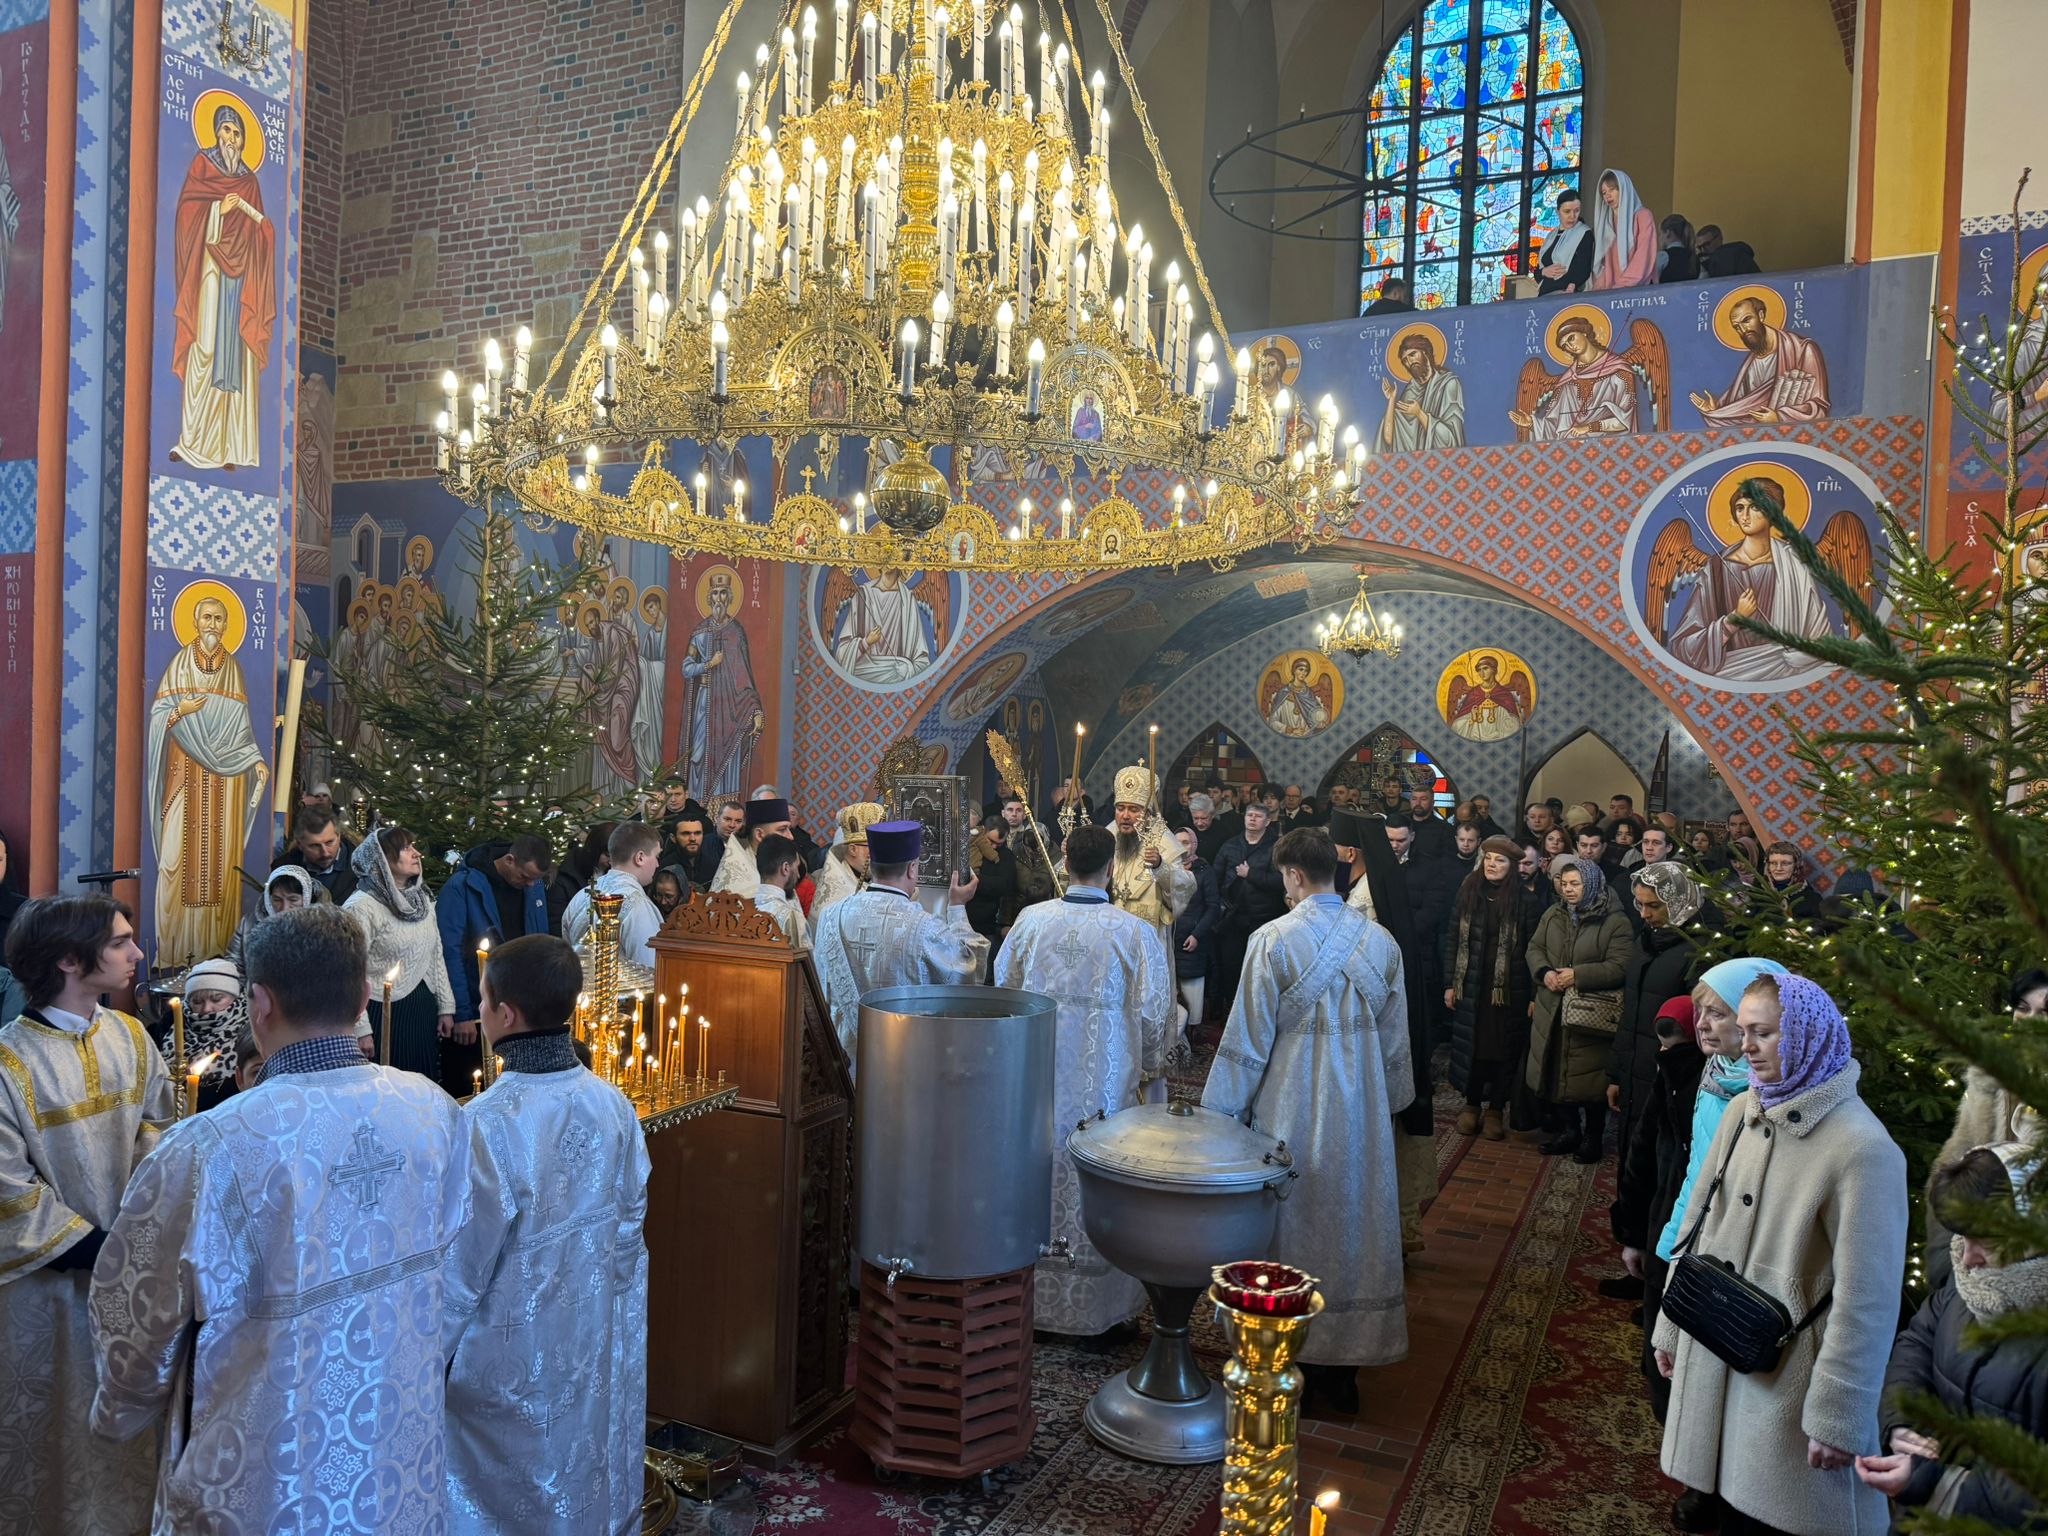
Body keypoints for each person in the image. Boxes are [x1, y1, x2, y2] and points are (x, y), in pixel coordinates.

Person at [89, 906, 474, 1534]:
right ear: (364, 997)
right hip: (399, 1443)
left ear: (259, 1003)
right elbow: (455, 1263)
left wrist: (120, 1411)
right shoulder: (434, 1111)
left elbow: (135, 1315)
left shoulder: (206, 1147)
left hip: (270, 1472)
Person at [1653, 974, 1907, 1536]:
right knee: (1729, 1514)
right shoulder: (1743, 1109)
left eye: (1763, 1033)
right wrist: (1671, 1325)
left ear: (1808, 1035)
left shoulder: (1863, 1149)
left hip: (1792, 1384)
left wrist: (1838, 1415)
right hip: (1717, 1352)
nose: (1746, 1047)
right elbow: (1697, 1224)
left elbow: (1867, 1299)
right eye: (1744, 1031)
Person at [444, 934, 649, 1534]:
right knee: (580, 1469)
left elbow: (458, 1268)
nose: (481, 1012)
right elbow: (629, 1234)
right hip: (590, 1336)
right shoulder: (612, 1103)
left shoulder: (483, 1123)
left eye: (483, 1001)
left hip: (511, 1354)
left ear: (505, 1015)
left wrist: (426, 1354)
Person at [1204, 828, 1414, 1415]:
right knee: (1354, 1219)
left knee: (1292, 1224)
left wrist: (1222, 1117)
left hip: (1290, 1104)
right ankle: (1343, 1374)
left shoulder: (1272, 939)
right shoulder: (1381, 942)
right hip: (1361, 1110)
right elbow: (1396, 1045)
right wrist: (1387, 1106)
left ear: (1294, 874)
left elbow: (1247, 1040)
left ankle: (1282, 1358)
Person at [0, 896, 167, 1534]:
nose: (137, 953)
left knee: (128, 1433)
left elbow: (158, 1131)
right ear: (70, 960)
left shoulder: (130, 1036)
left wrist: (143, 1223)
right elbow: (10, 1192)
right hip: (45, 1295)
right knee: (53, 1438)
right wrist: (106, 1248)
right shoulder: (9, 1063)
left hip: (131, 1284)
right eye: (120, 942)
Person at [996, 825, 1171, 1339]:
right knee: (1097, 1179)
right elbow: (1155, 1014)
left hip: (1037, 1079)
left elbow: (1003, 989)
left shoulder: (1032, 921)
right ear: (1111, 868)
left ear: (1065, 861)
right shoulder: (1133, 932)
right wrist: (1150, 1065)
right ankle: (1098, 1318)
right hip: (1105, 1085)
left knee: (1035, 1170)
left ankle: (1026, 1301)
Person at [1861, 1143, 2048, 1526]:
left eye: (1986, 1240)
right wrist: (1902, 1422)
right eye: (1964, 1237)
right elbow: (1916, 1345)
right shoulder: (1969, 1283)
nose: (1967, 1258)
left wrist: (1944, 1486)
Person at [1332, 807, 1437, 1255]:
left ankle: (1377, 1227)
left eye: (1335, 846)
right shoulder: (1364, 886)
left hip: (1373, 1026)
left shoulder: (1368, 898)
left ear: (1350, 853)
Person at [1602, 861, 1704, 1300]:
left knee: (1665, 1179)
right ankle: (1635, 1262)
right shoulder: (1645, 943)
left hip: (1670, 1082)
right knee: (1633, 1167)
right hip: (1636, 1074)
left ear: (1679, 904)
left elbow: (1694, 1032)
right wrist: (1617, 1073)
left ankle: (1658, 1283)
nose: (1644, 914)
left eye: (1654, 906)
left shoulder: (1698, 952)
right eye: (1640, 905)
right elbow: (1629, 1017)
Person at [812, 821, 985, 1072]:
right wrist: (957, 908)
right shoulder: (924, 927)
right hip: (903, 1065)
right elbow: (967, 972)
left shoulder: (830, 916)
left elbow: (822, 985)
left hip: (844, 1062)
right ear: (912, 869)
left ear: (872, 864)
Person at [1923, 967, 2048, 1286]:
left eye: (2045, 1012)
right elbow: (1958, 1156)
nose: (2030, 1021)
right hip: (1977, 1249)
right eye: (2023, 1008)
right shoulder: (1990, 1076)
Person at [1613, 996, 1704, 1428]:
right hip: (1665, 1220)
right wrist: (1634, 1235)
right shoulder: (1678, 1073)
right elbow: (1644, 1154)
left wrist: (1634, 1235)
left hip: (1680, 1228)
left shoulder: (1729, 1091)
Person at [1526, 856, 1633, 1164]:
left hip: (1590, 1010)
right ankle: (1570, 1130)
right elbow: (1534, 948)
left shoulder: (1615, 921)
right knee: (1558, 1073)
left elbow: (1621, 965)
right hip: (1553, 1006)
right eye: (1564, 884)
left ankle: (1593, 1136)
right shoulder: (1554, 913)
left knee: (1590, 1077)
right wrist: (1545, 972)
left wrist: (1578, 975)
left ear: (1592, 884)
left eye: (1576, 884)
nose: (1568, 889)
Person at [344, 825, 460, 1083]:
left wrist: (446, 1006)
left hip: (420, 1009)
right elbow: (348, 971)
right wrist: (360, 1028)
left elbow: (435, 953)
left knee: (421, 1084)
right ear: (383, 859)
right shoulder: (361, 907)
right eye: (406, 848)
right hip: (378, 1010)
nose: (417, 853)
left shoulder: (421, 900)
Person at [1443, 835, 1538, 1140]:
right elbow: (1453, 939)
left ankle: (1496, 1108)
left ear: (1512, 866)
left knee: (1502, 1049)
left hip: (1509, 990)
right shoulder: (1468, 892)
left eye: (1500, 860)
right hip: (1471, 986)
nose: (1492, 865)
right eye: (1488, 859)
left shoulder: (1526, 902)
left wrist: (1533, 995)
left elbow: (1534, 950)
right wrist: (1450, 983)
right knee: (1473, 1048)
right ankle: (1471, 1105)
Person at [438, 834, 562, 1034]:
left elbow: (540, 943)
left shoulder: (533, 886)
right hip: (479, 1008)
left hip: (525, 1008)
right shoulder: (461, 887)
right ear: (509, 860)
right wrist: (462, 1013)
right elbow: (450, 952)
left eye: (535, 879)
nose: (530, 884)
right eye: (525, 877)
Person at [1107, 767, 1194, 964]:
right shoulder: (1107, 837)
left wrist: (1160, 866)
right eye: (1120, 808)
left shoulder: (1164, 841)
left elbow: (1185, 888)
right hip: (1110, 933)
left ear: (1148, 814)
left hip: (1148, 938)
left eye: (1133, 810)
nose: (1125, 816)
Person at [562, 822, 667, 971]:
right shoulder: (638, 906)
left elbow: (568, 957)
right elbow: (651, 970)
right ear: (640, 857)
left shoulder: (580, 897)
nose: (657, 864)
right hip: (620, 986)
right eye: (656, 856)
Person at [1215, 800, 1286, 1016]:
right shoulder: (1230, 845)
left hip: (1263, 917)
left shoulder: (1276, 847)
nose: (1252, 819)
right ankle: (1231, 1008)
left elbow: (1282, 881)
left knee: (1259, 967)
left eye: (1258, 816)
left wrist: (1251, 874)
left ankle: (1256, 1011)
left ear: (1267, 821)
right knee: (1231, 964)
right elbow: (1216, 877)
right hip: (1233, 916)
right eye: (1249, 815)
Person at [224, 862, 324, 974]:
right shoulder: (248, 923)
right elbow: (233, 964)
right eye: (277, 900)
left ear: (306, 898)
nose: (284, 908)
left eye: (293, 900)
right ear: (268, 898)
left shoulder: (320, 929)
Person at [1169, 824, 1220, 1033]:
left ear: (1194, 844)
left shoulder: (1204, 871)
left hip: (1192, 937)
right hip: (1169, 936)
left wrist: (1197, 934)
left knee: (1191, 988)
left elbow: (1213, 907)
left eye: (1186, 842)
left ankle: (1192, 1035)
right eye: (1177, 843)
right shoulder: (1166, 869)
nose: (1182, 847)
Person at [179, 956, 249, 1108]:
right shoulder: (171, 1028)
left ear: (236, 998)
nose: (206, 1009)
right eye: (197, 1002)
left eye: (217, 999)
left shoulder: (250, 1037)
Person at [813, 801, 886, 921]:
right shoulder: (835, 895)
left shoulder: (872, 878)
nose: (881, 854)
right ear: (853, 849)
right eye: (874, 847)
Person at [711, 795, 793, 897]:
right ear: (759, 835)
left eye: (789, 829)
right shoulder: (738, 879)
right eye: (782, 829)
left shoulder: (776, 864)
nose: (790, 836)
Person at [273, 805, 358, 903]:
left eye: (329, 842)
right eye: (315, 846)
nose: (325, 853)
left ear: (339, 837)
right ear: (300, 844)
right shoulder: (282, 870)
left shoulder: (362, 871)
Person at [1589, 167, 1657, 290]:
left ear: (1624, 189)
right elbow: (1607, 264)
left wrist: (1622, 286)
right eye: (1604, 192)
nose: (1608, 195)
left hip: (1638, 289)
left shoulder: (1643, 216)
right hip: (1612, 291)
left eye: (1612, 189)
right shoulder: (1607, 223)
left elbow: (1644, 256)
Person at [751, 833, 809, 947]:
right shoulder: (790, 917)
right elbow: (806, 956)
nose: (798, 875)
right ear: (785, 868)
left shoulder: (742, 910)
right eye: (797, 867)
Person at [1536, 185, 1593, 295]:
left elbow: (1583, 266)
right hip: (1544, 294)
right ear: (1557, 212)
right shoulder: (1550, 236)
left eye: (1576, 211)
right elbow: (1538, 272)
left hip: (1566, 292)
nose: (1572, 216)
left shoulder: (1584, 233)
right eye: (1567, 211)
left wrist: (1573, 284)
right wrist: (1544, 271)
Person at [1760, 841, 1824, 921]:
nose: (1778, 868)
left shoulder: (1812, 899)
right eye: (1773, 863)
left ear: (1796, 865)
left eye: (1785, 863)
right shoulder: (1757, 895)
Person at [665, 809, 723, 892]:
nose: (692, 839)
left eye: (697, 833)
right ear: (673, 838)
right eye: (686, 834)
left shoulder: (713, 864)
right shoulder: (666, 867)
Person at [1403, 785, 1454, 861]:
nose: (1418, 803)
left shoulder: (1445, 828)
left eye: (1423, 799)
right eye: (1414, 799)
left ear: (1432, 802)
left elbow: (1448, 859)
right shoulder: (1401, 822)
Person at [1695, 224, 1760, 278]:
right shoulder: (1698, 263)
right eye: (1699, 247)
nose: (1703, 250)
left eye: (1706, 244)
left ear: (1719, 238)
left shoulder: (1736, 256)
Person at [1656, 213, 1698, 283]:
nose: (1659, 237)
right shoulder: (1695, 259)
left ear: (1667, 232)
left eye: (1660, 234)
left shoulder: (1662, 256)